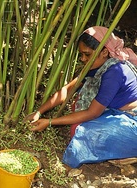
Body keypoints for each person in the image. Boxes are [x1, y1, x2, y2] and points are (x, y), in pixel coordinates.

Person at [24, 26, 137, 170]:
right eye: (81, 55)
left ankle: (126, 153)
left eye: (87, 55)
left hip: (132, 120)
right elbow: (68, 90)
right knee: (77, 111)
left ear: (104, 52)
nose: (83, 59)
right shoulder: (97, 65)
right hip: (114, 112)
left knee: (84, 133)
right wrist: (39, 112)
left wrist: (50, 122)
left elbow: (92, 113)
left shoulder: (114, 72)